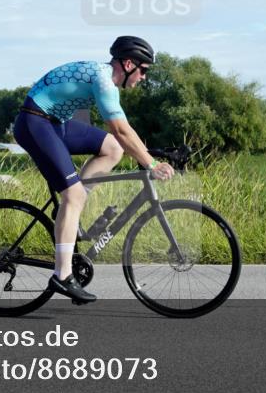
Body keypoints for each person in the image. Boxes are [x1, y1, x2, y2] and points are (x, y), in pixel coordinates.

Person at [13, 36, 175, 304]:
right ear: (128, 64)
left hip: (56, 123)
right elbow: (121, 129)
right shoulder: (103, 81)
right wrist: (152, 164)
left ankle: (70, 211)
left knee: (112, 149)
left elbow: (122, 136)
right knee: (73, 195)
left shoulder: (105, 78)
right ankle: (62, 276)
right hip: (34, 122)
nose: (144, 77)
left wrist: (149, 153)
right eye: (143, 70)